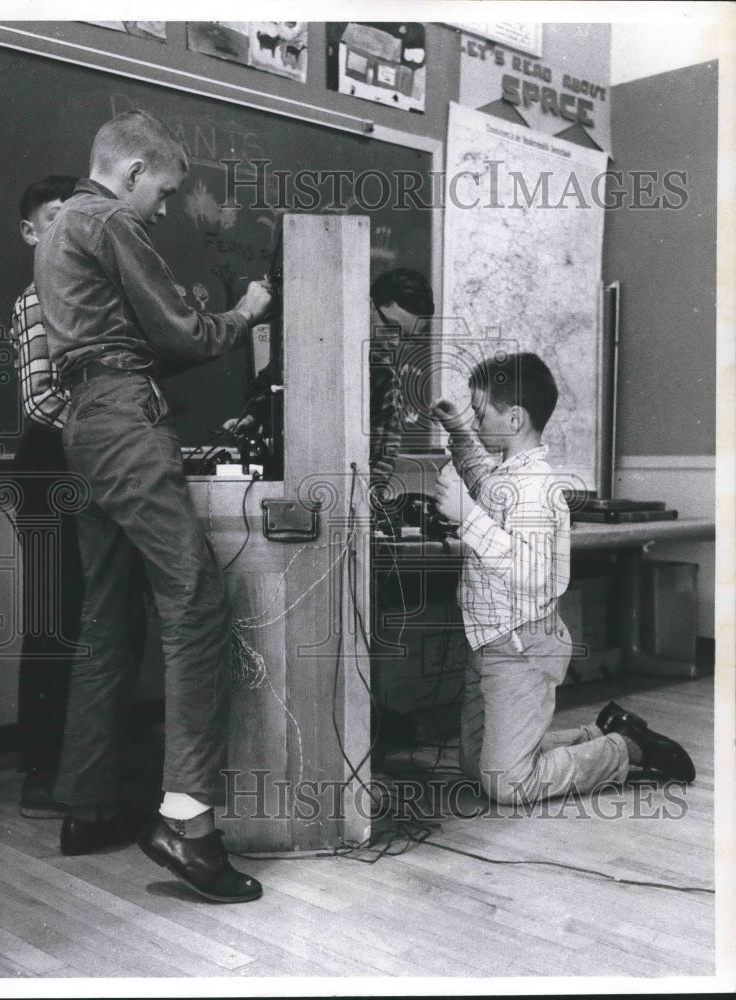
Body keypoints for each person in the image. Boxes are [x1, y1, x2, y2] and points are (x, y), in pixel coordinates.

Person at [34, 109, 273, 903]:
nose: (164, 210)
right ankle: (188, 823)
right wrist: (246, 310)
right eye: (163, 192)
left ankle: (89, 805)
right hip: (123, 422)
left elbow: (122, 342)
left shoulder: (61, 226)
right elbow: (183, 333)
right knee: (196, 600)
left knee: (109, 614)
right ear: (132, 172)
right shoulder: (109, 220)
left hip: (84, 425)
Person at [431, 351, 695, 806]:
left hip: (521, 648)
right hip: (489, 642)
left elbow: (531, 573)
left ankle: (623, 749)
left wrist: (467, 516)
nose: (475, 422)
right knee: (476, 766)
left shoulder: (537, 489)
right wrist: (457, 429)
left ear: (514, 419)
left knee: (508, 784)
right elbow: (479, 474)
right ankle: (597, 733)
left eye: (480, 414)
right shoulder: (509, 473)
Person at [223, 267, 435, 493]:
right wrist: (252, 417)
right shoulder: (318, 345)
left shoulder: (386, 378)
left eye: (408, 338)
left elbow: (384, 457)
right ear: (369, 306)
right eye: (392, 328)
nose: (395, 343)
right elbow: (269, 385)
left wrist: (367, 501)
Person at [9, 175, 83, 818]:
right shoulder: (38, 298)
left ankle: (81, 763)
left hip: (85, 464)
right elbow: (40, 400)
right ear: (31, 233)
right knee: (53, 618)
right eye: (56, 217)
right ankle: (41, 770)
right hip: (50, 470)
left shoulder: (87, 294)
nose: (70, 229)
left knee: (89, 615)